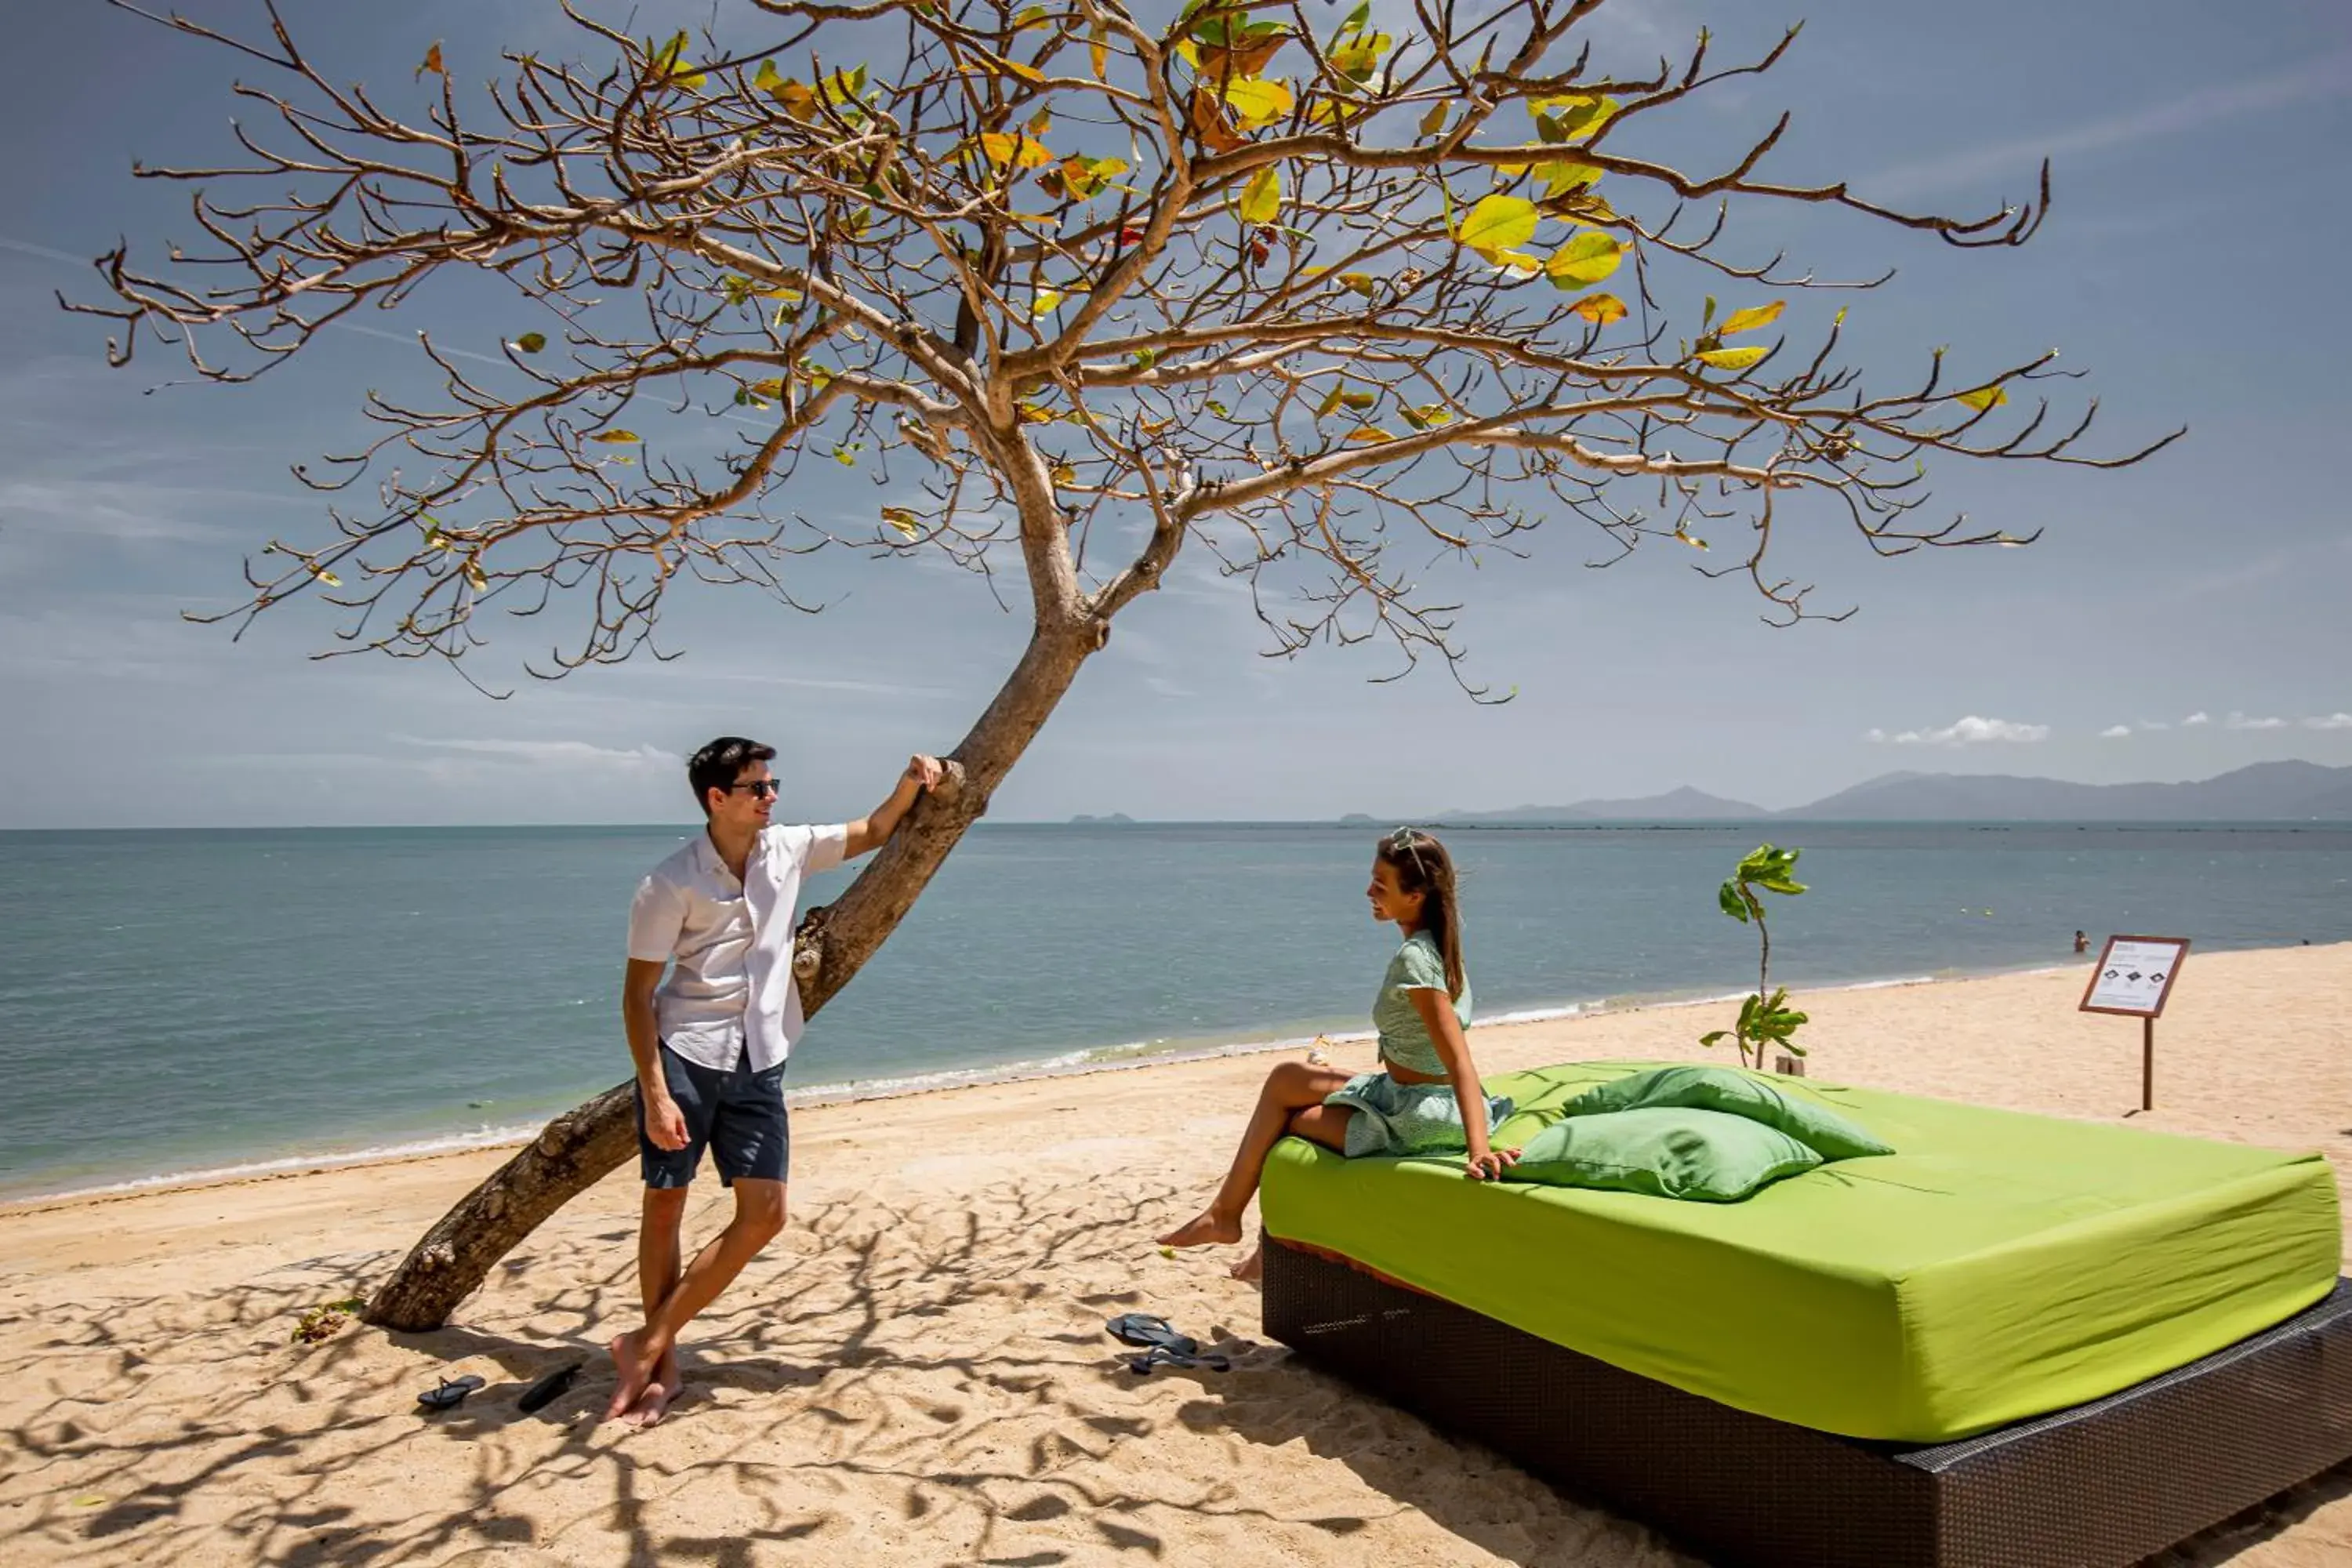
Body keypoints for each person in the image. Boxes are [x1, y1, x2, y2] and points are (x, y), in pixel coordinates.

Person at [607, 735, 944, 1426]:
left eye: (771, 784)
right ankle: (660, 1366)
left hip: (761, 1057)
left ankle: (645, 1340)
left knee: (764, 1214)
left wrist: (912, 780)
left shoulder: (787, 848)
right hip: (688, 1057)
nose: (772, 797)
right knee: (665, 1205)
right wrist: (656, 1093)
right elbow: (638, 995)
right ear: (717, 799)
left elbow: (875, 831)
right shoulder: (668, 883)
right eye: (758, 788)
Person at [1159, 826, 1519, 1282]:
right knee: (1288, 1077)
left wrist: (1478, 1149)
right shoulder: (1442, 950)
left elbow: (1458, 1061)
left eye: (1381, 885)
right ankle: (1228, 1218)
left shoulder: (1416, 961)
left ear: (1416, 894)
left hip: (1417, 1113)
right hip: (1410, 1092)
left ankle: (1244, 1229)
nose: (1369, 891)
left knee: (1291, 1127)